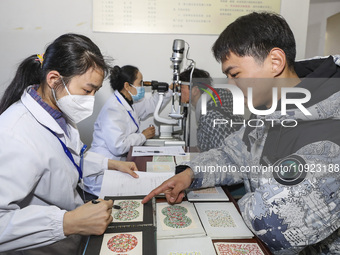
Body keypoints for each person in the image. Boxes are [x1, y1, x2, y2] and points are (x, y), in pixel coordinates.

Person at [143, 12, 340, 254]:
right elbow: (234, 153)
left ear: (275, 62)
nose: (231, 85)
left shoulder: (331, 130)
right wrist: (190, 173)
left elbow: (272, 223)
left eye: (235, 74)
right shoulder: (270, 107)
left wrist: (252, 192)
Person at [0, 34, 138, 254]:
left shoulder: (59, 115)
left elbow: (68, 159)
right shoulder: (12, 134)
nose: (91, 99)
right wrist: (68, 222)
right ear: (54, 79)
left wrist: (112, 164)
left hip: (70, 233)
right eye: (86, 90)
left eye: (95, 92)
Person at [90, 65, 172, 161]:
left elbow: (151, 106)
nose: (142, 87)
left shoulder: (130, 102)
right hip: (105, 165)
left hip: (119, 161)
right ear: (127, 86)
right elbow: (118, 147)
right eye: (140, 83)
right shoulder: (112, 109)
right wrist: (143, 136)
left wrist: (168, 90)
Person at [179, 67, 244, 152]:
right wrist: (181, 150)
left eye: (181, 88)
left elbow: (224, 155)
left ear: (195, 90)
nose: (177, 92)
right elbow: (205, 148)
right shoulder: (209, 107)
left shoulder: (211, 115)